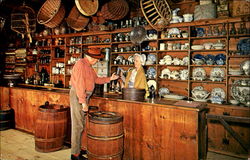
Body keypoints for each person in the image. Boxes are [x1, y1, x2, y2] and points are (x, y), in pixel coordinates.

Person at [69, 48, 119, 160]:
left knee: (81, 124)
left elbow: (96, 79)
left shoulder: (88, 66)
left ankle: (78, 149)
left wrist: (110, 79)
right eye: (96, 59)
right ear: (91, 57)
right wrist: (83, 102)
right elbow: (80, 84)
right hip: (78, 95)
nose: (97, 61)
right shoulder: (81, 64)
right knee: (77, 126)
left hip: (83, 96)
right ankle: (75, 155)